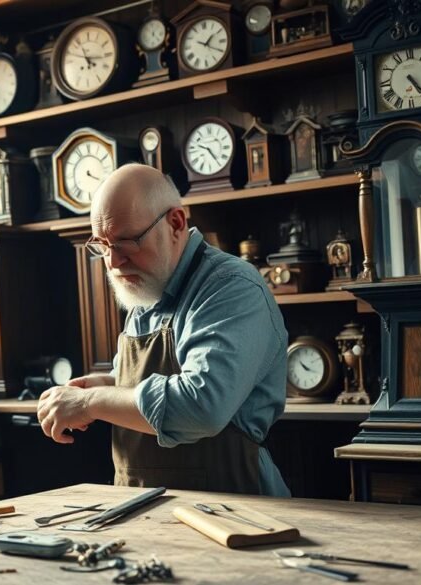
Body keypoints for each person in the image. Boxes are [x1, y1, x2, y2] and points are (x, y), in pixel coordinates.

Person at [37, 164, 290, 497]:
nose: (113, 262)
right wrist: (104, 384)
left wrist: (89, 402)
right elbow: (147, 383)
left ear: (175, 223)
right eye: (102, 246)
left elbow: (203, 405)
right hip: (144, 507)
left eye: (126, 243)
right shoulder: (147, 289)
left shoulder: (231, 288)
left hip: (236, 512)